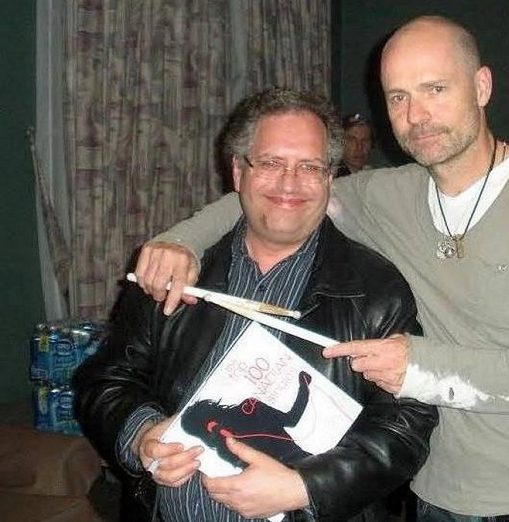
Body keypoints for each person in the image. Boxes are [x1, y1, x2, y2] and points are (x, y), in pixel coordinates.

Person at [134, 15, 509, 522]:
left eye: (435, 88)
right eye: (397, 97)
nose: (417, 115)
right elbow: (285, 192)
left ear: (481, 86)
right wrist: (181, 241)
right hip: (435, 492)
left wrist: (420, 367)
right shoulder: (389, 194)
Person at [73, 88, 438, 522]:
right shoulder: (175, 273)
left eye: (309, 167)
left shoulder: (375, 290)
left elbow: (406, 424)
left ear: (328, 179)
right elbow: (106, 379)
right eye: (270, 163)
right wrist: (139, 435)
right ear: (237, 172)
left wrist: (305, 487)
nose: (289, 183)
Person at [335, 113, 373, 177]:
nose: (359, 147)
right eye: (352, 140)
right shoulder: (331, 178)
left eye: (365, 140)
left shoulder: (374, 175)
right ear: (339, 142)